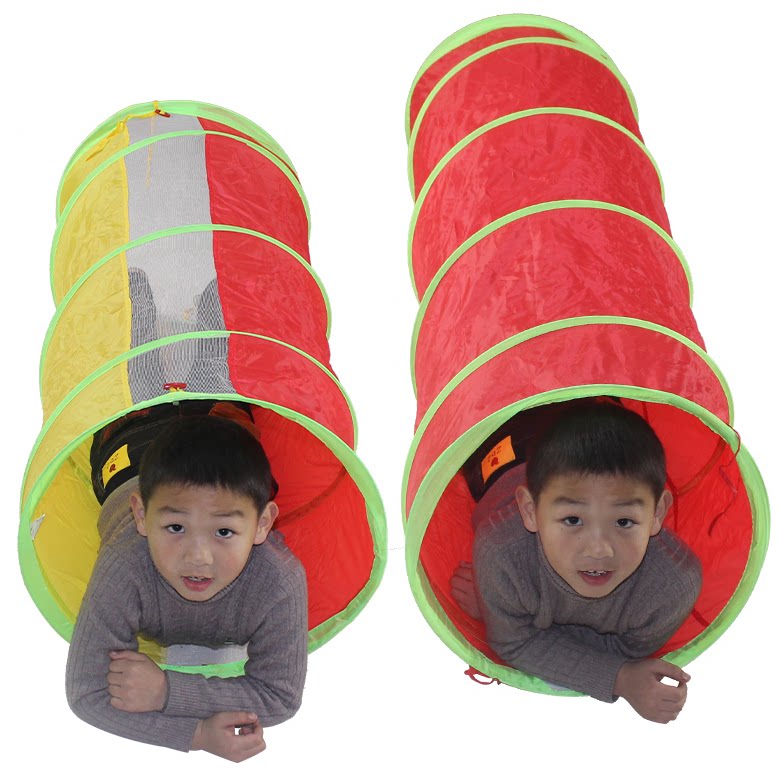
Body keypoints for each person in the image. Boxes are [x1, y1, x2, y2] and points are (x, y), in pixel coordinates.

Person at [66, 404, 308, 761]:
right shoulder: (125, 566)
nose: (198, 557)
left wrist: (167, 691)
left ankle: (220, 406)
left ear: (262, 525)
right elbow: (86, 692)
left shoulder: (279, 581)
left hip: (174, 446)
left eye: (224, 532)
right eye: (175, 528)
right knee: (139, 409)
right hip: (129, 447)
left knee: (231, 420)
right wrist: (195, 735)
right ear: (141, 516)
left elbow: (280, 696)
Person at [451, 399, 702, 723]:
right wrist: (619, 677)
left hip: (574, 434)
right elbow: (512, 642)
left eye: (624, 522)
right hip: (504, 451)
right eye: (572, 520)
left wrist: (506, 615)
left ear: (657, 513)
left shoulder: (672, 586)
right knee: (485, 417)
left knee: (594, 409)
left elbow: (625, 650)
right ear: (530, 511)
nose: (599, 549)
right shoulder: (502, 551)